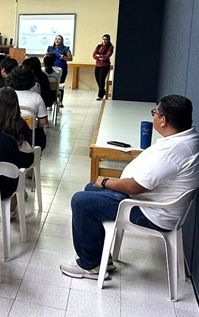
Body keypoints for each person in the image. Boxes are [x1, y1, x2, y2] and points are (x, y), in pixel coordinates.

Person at [61, 95, 199, 279]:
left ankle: (90, 265)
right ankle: (102, 258)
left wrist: (105, 181)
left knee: (80, 202)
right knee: (90, 189)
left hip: (150, 213)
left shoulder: (175, 150)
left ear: (163, 120)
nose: (153, 116)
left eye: (155, 113)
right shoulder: (187, 138)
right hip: (154, 204)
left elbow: (135, 187)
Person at [8, 66, 48, 150]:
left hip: (8, 135)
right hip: (29, 139)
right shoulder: (37, 97)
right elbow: (43, 122)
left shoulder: (5, 95)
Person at [93, 34, 114, 101]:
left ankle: (100, 95)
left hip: (105, 65)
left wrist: (99, 56)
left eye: (105, 39)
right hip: (98, 65)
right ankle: (103, 91)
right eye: (103, 39)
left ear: (108, 40)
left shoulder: (110, 47)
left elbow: (107, 56)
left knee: (101, 80)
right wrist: (100, 57)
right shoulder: (99, 46)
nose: (104, 41)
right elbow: (94, 55)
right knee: (97, 78)